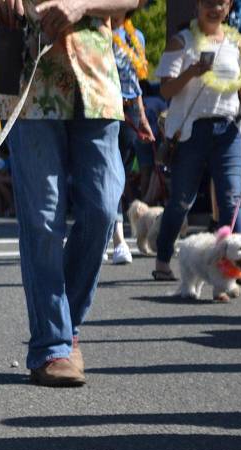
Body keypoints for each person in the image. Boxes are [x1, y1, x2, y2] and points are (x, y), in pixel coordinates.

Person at [0, 0, 139, 386]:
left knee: (103, 209)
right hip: (29, 84)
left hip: (97, 81)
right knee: (43, 220)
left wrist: (81, 4)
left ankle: (64, 327)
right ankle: (53, 345)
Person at [152, 0, 241, 282]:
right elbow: (166, 87)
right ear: (197, 6)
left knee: (231, 199)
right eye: (208, 3)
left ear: (228, 7)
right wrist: (192, 71)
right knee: (181, 200)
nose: (214, 8)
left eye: (221, 3)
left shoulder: (238, 44)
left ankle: (235, 268)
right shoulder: (182, 41)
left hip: (228, 130)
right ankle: (163, 260)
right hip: (191, 132)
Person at [109, 11, 156, 265]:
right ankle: (117, 238)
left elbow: (136, 81)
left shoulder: (136, 36)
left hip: (129, 111)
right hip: (105, 109)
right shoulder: (101, 31)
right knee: (109, 173)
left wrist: (143, 117)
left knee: (120, 175)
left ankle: (109, 229)